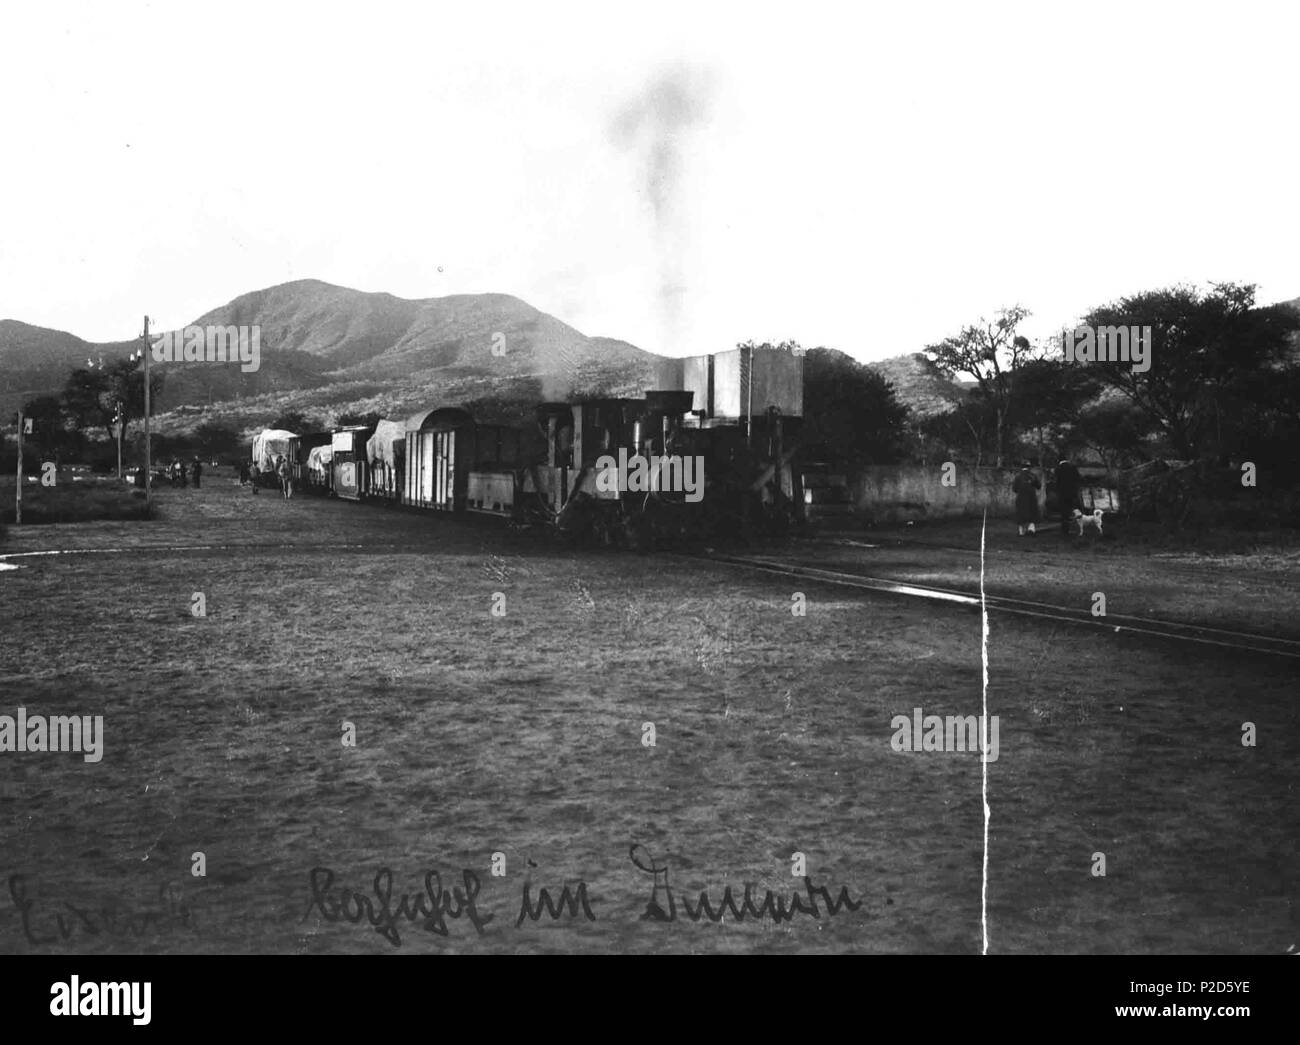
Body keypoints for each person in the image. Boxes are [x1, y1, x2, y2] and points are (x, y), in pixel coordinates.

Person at [1012, 461, 1041, 537]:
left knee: (1021, 514)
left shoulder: (1018, 476)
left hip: (1021, 498)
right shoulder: (1033, 475)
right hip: (1031, 497)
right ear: (1029, 467)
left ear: (1021, 467)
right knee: (1032, 513)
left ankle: (1021, 531)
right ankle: (1031, 529)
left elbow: (1014, 489)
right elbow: (1039, 486)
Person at [1054, 458, 1082, 536]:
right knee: (1072, 509)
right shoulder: (1073, 467)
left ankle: (1065, 530)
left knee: (1064, 512)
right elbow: (1078, 479)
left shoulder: (1058, 469)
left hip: (1062, 494)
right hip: (1072, 493)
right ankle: (1075, 527)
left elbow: (1056, 481)